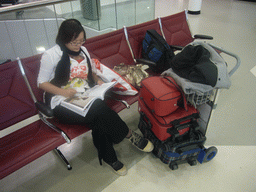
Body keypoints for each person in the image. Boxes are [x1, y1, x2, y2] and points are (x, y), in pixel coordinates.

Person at [37, 19, 153, 176]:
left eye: (81, 41)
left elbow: (88, 71)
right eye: (74, 42)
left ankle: (109, 157)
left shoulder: (83, 50)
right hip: (61, 101)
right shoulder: (51, 55)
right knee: (98, 108)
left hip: (84, 94)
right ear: (64, 39)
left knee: (97, 117)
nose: (78, 45)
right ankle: (129, 135)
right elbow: (41, 83)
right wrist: (64, 93)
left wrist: (97, 81)